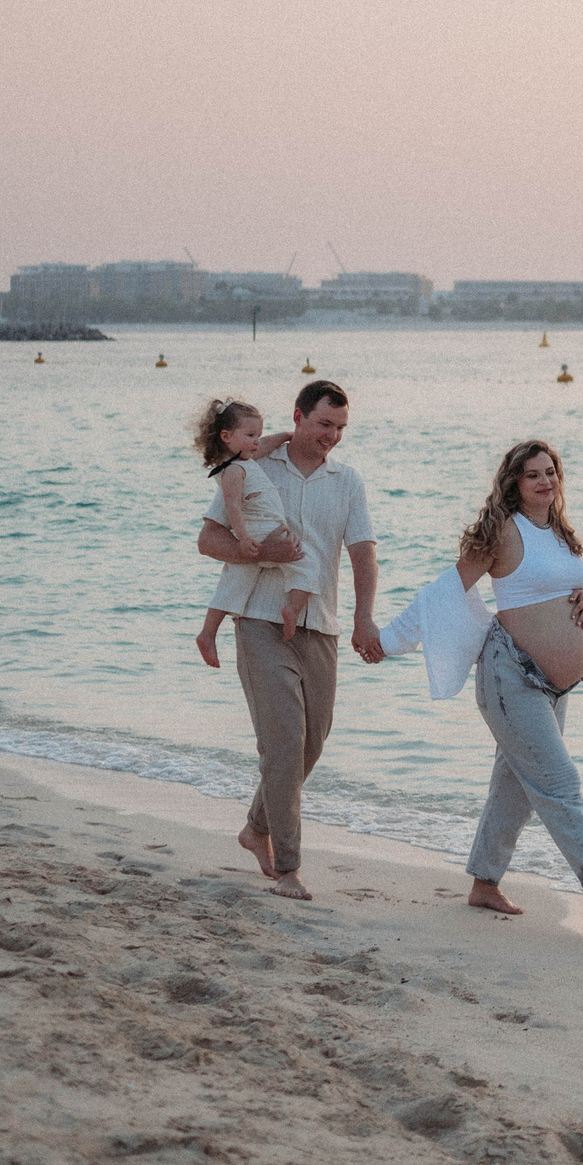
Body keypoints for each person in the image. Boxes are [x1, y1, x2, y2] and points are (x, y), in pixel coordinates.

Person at [379, 438, 583, 926]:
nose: (545, 481)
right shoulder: (502, 533)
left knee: (513, 789)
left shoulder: (558, 530)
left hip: (554, 685)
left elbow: (555, 582)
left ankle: (485, 884)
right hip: (511, 676)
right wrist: (384, 641)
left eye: (551, 472)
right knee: (558, 782)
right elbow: (444, 592)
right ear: (514, 482)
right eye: (533, 474)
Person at [194, 379, 379, 901]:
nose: (333, 437)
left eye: (341, 428)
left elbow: (363, 554)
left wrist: (365, 618)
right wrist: (258, 552)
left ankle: (255, 828)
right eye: (324, 425)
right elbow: (208, 539)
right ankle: (289, 868)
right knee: (281, 744)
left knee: (309, 746)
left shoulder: (348, 481)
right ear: (297, 418)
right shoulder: (253, 465)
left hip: (320, 623)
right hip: (258, 619)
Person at [190, 397, 310, 667]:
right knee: (307, 564)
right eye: (251, 435)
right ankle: (292, 609)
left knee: (236, 581)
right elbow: (233, 507)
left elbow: (267, 444)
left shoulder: (243, 456)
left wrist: (289, 436)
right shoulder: (233, 470)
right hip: (261, 528)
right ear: (226, 436)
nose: (258, 440)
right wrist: (243, 539)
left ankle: (207, 633)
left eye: (258, 434)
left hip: (260, 529)